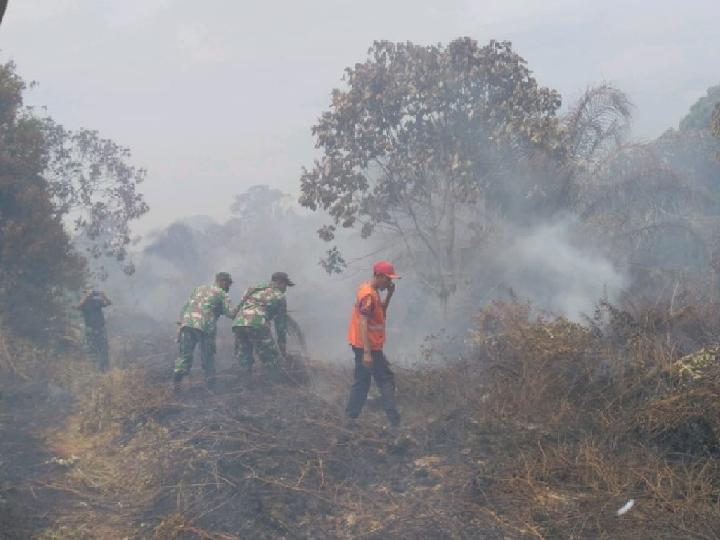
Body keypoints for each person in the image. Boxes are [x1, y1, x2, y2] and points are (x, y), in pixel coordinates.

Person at [345, 261, 401, 427]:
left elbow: (380, 314)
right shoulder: (368, 295)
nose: (390, 282)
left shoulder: (372, 290)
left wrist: (389, 295)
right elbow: (363, 321)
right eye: (388, 279)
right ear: (379, 276)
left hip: (365, 345)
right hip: (367, 347)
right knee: (386, 380)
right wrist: (367, 353)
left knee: (362, 381)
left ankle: (350, 418)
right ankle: (394, 421)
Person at [174, 272, 236, 390]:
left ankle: (177, 383)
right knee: (208, 356)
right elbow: (232, 314)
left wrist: (180, 324)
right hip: (205, 326)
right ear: (223, 282)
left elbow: (185, 307)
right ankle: (211, 386)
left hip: (187, 323)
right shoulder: (222, 294)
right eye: (228, 284)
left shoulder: (199, 288)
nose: (228, 287)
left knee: (184, 356)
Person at [232, 272, 293, 376]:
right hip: (257, 324)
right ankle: (275, 386)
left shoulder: (252, 289)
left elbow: (237, 309)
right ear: (279, 282)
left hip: (239, 324)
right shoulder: (279, 296)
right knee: (271, 358)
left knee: (244, 357)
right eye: (285, 285)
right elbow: (280, 326)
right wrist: (283, 350)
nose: (285, 289)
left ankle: (245, 386)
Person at [76, 289, 112, 371]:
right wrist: (86, 297)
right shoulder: (84, 303)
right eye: (88, 291)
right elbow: (78, 307)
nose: (91, 294)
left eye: (91, 292)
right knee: (91, 348)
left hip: (100, 328)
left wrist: (103, 295)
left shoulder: (97, 301)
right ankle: (93, 369)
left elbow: (108, 303)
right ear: (85, 293)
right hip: (90, 329)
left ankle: (104, 369)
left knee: (104, 348)